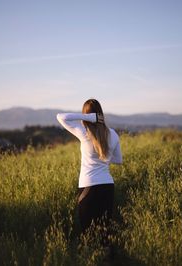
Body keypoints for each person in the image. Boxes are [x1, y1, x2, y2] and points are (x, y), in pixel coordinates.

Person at [56, 99, 122, 252]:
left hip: (89, 187)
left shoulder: (83, 132)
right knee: (105, 231)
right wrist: (104, 156)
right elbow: (118, 160)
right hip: (108, 187)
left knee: (88, 234)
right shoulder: (112, 134)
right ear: (101, 113)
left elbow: (61, 117)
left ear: (87, 115)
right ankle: (108, 260)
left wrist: (89, 118)